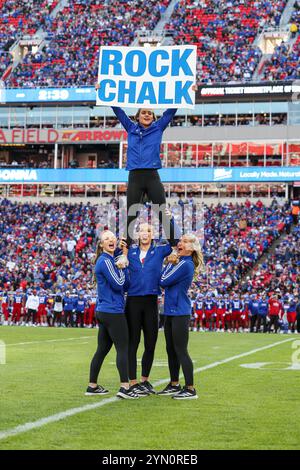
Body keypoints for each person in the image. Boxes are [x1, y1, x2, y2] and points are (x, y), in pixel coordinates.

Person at [95, 82, 196, 245]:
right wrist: (104, 92)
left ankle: (176, 245)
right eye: (144, 113)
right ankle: (126, 248)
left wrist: (187, 91)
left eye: (150, 113)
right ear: (138, 116)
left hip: (152, 176)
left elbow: (171, 111)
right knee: (131, 214)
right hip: (135, 176)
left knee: (162, 212)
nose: (147, 115)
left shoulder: (158, 127)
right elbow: (118, 110)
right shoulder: (130, 127)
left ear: (154, 117)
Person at [118, 212, 179, 396]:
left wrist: (170, 220)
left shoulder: (159, 250)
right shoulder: (129, 251)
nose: (145, 233)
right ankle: (133, 381)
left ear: (152, 234)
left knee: (150, 343)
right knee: (133, 343)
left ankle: (144, 380)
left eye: (148, 230)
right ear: (137, 234)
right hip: (133, 301)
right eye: (141, 230)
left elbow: (175, 242)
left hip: (152, 301)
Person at [86, 230, 139, 399]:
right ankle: (125, 387)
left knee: (102, 349)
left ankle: (92, 385)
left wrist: (122, 262)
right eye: (106, 239)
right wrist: (122, 266)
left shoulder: (110, 259)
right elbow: (119, 284)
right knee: (123, 348)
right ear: (101, 245)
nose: (111, 240)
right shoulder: (105, 260)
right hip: (112, 311)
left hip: (105, 310)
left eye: (112, 238)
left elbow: (126, 284)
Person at [157, 234, 204, 399]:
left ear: (192, 248)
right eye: (180, 240)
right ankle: (174, 383)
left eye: (184, 241)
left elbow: (162, 280)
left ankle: (190, 388)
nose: (180, 243)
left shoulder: (185, 264)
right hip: (170, 310)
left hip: (180, 312)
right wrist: (171, 262)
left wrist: (169, 262)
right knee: (170, 350)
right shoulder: (180, 262)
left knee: (181, 350)